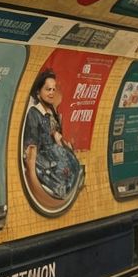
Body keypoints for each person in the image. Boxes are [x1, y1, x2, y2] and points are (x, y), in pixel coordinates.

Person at [23, 70, 83, 206]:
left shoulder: (52, 111)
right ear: (38, 92)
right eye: (47, 89)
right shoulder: (34, 113)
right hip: (43, 160)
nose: (51, 93)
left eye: (53, 89)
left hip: (56, 155)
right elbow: (31, 145)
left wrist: (59, 141)